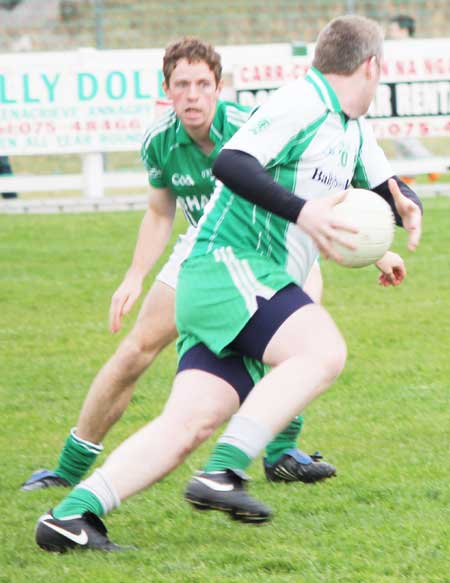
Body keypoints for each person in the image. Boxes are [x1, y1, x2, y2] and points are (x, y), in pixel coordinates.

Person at [35, 15, 422, 552]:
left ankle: (72, 515)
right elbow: (232, 163)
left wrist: (402, 211)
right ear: (371, 66)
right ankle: (225, 471)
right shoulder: (302, 104)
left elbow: (384, 189)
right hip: (227, 266)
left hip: (235, 285)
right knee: (323, 350)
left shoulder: (351, 125)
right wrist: (305, 214)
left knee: (189, 423)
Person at [24, 39, 334, 495]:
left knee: (299, 331)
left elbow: (304, 184)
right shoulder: (159, 142)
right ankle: (68, 469)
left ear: (218, 88)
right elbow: (159, 211)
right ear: (166, 90)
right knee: (136, 351)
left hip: (268, 248)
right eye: (182, 85)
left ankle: (282, 452)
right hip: (203, 255)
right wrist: (134, 275)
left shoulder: (251, 129)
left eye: (202, 84)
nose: (193, 95)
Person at [386, 14, 440, 183]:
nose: (390, 32)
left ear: (403, 30)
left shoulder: (413, 49)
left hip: (409, 97)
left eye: (393, 29)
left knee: (404, 134)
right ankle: (408, 174)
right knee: (398, 134)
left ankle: (432, 164)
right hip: (396, 96)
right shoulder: (394, 49)